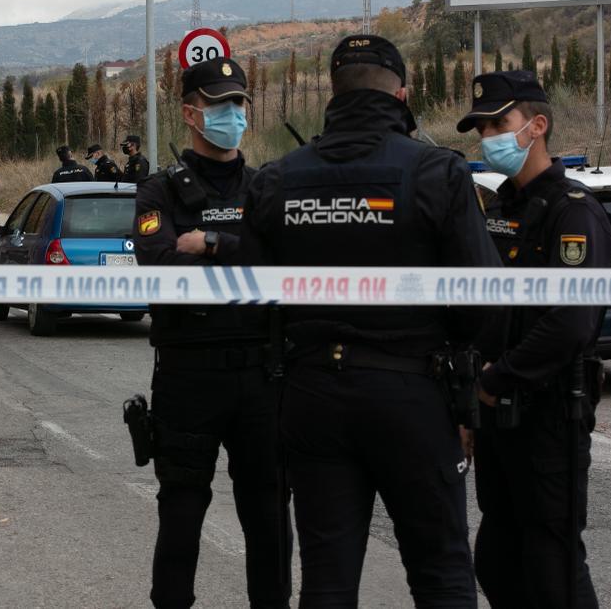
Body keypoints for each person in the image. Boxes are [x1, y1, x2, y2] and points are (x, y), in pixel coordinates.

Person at [239, 35, 502, 608]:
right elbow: (483, 299)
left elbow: (253, 293)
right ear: (402, 94)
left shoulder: (279, 180)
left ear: (333, 93)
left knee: (328, 579)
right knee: (440, 572)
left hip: (312, 397)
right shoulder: (437, 172)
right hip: (414, 393)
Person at [133, 57, 291, 609]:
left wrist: (212, 244)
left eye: (239, 103)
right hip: (188, 374)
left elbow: (284, 263)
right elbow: (157, 261)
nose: (233, 113)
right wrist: (244, 250)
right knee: (181, 513)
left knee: (270, 519)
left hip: (262, 373)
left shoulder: (267, 186)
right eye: (221, 104)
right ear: (191, 113)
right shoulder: (159, 193)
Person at [457, 71, 611, 609]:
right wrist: (472, 401)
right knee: (498, 560)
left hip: (549, 416)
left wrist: (496, 380)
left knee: (553, 570)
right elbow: (485, 310)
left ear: (537, 125)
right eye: (481, 128)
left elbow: (571, 323)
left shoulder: (574, 212)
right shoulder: (499, 210)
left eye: (500, 123)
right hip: (497, 417)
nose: (488, 137)